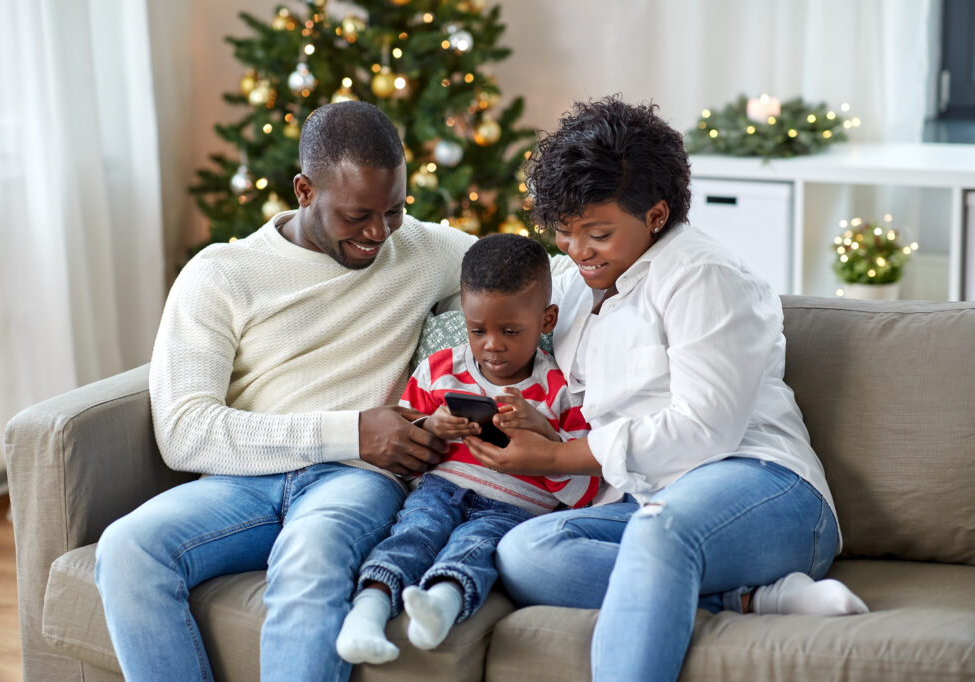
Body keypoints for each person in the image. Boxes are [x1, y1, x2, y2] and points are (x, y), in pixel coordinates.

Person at [464, 97, 868, 682]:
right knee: (525, 553)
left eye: (597, 234)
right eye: (565, 233)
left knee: (662, 531)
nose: (577, 252)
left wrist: (557, 455)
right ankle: (753, 600)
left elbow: (706, 430)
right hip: (641, 500)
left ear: (655, 214)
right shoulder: (570, 287)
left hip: (762, 485)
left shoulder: (704, 276)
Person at [93, 101, 477, 682]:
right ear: (304, 190)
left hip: (352, 479)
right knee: (126, 550)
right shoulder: (221, 274)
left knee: (309, 559)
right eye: (357, 216)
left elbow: (535, 274)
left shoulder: (425, 250)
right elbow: (182, 432)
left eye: (394, 210)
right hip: (241, 482)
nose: (378, 234)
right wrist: (354, 429)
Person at [336, 234, 601, 666]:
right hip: (440, 490)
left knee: (475, 547)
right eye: (478, 330)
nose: (492, 345)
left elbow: (582, 487)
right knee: (412, 535)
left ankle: (439, 608)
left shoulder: (559, 390)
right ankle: (366, 616)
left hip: (513, 509)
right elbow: (402, 434)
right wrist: (432, 426)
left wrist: (545, 435)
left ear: (547, 319)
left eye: (510, 331)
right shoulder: (441, 370)